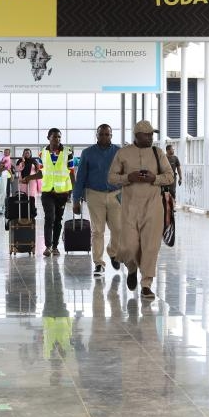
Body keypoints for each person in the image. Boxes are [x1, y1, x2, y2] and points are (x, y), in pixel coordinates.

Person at [108, 120, 174, 299]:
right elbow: (112, 178)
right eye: (147, 135)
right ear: (137, 135)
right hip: (129, 208)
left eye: (152, 135)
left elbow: (169, 176)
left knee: (150, 247)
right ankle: (131, 268)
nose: (151, 138)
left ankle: (146, 284)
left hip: (153, 207)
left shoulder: (158, 152)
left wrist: (155, 178)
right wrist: (128, 177)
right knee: (129, 246)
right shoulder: (123, 153)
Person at [72, 124, 122, 277]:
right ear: (97, 135)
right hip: (94, 195)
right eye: (101, 134)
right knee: (97, 231)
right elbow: (80, 178)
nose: (104, 137)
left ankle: (113, 252)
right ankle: (99, 263)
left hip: (116, 194)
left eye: (107, 134)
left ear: (111, 136)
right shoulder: (88, 153)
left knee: (118, 229)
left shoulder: (119, 152)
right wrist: (76, 200)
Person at [39, 127, 74, 257]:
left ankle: (55, 246)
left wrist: (74, 191)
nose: (57, 139)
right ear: (48, 138)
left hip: (62, 192)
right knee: (50, 217)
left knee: (58, 219)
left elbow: (71, 172)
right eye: (54, 137)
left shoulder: (67, 152)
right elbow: (41, 172)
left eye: (59, 137)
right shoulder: (42, 153)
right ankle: (47, 246)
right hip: (47, 191)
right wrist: (28, 178)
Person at [15, 148, 42, 218]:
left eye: (28, 153)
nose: (27, 154)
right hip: (23, 180)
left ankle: (32, 211)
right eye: (25, 153)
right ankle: (24, 211)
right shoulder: (20, 161)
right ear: (23, 154)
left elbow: (38, 171)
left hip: (32, 180)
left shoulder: (34, 161)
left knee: (32, 196)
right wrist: (23, 162)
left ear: (30, 154)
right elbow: (18, 169)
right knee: (23, 195)